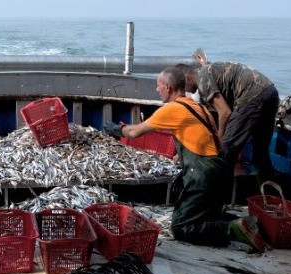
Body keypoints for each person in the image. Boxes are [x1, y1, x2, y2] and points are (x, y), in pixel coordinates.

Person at [104, 67, 265, 253]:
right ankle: (250, 224)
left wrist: (116, 129)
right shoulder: (197, 107)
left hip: (205, 176)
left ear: (168, 87)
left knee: (181, 227)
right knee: (205, 216)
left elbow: (134, 132)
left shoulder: (172, 110)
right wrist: (181, 159)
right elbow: (204, 140)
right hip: (222, 171)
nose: (157, 90)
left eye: (158, 86)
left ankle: (232, 228)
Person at [192, 53, 280, 184]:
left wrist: (219, 140)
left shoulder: (202, 77)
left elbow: (225, 112)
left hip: (252, 94)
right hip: (270, 91)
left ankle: (218, 199)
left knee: (227, 150)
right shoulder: (208, 71)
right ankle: (270, 194)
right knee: (260, 154)